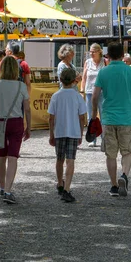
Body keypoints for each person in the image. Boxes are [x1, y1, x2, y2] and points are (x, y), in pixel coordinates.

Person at [92, 42, 131, 197]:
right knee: (128, 151)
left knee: (111, 154)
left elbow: (94, 96)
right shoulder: (129, 71)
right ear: (123, 55)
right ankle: (124, 175)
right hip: (126, 118)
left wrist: (94, 114)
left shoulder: (103, 72)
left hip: (108, 118)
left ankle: (114, 185)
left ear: (107, 55)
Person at [0, 56, 32, 204]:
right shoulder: (21, 86)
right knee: (13, 157)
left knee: (1, 156)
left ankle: (1, 186)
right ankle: (8, 190)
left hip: (0, 121)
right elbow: (27, 109)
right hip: (16, 122)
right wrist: (29, 126)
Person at [48, 68, 87, 202]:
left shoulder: (56, 95)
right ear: (74, 80)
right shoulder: (77, 96)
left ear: (60, 80)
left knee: (59, 159)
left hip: (59, 131)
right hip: (73, 131)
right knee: (70, 160)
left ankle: (60, 183)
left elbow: (51, 117)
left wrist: (51, 134)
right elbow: (82, 117)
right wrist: (81, 133)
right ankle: (67, 188)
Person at [79, 43, 106, 147]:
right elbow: (84, 78)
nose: (91, 53)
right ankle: (92, 138)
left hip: (102, 92)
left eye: (93, 51)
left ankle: (104, 139)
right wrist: (82, 90)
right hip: (90, 92)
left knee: (103, 115)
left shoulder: (105, 62)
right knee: (91, 116)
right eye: (90, 51)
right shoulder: (88, 62)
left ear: (99, 52)